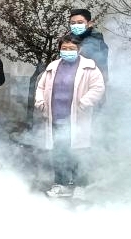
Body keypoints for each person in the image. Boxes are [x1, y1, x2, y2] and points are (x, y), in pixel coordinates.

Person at [34, 36, 105, 199]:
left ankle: (81, 186)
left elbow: (98, 88)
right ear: (59, 49)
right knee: (59, 152)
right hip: (56, 117)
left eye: (71, 48)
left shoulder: (89, 67)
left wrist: (84, 102)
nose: (67, 51)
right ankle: (61, 184)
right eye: (64, 48)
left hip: (77, 118)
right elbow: (41, 87)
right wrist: (40, 101)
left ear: (79, 49)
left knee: (79, 152)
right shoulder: (53, 67)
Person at [68, 8, 109, 81]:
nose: (76, 25)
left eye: (80, 22)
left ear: (89, 24)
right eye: (73, 23)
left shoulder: (95, 41)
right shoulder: (70, 39)